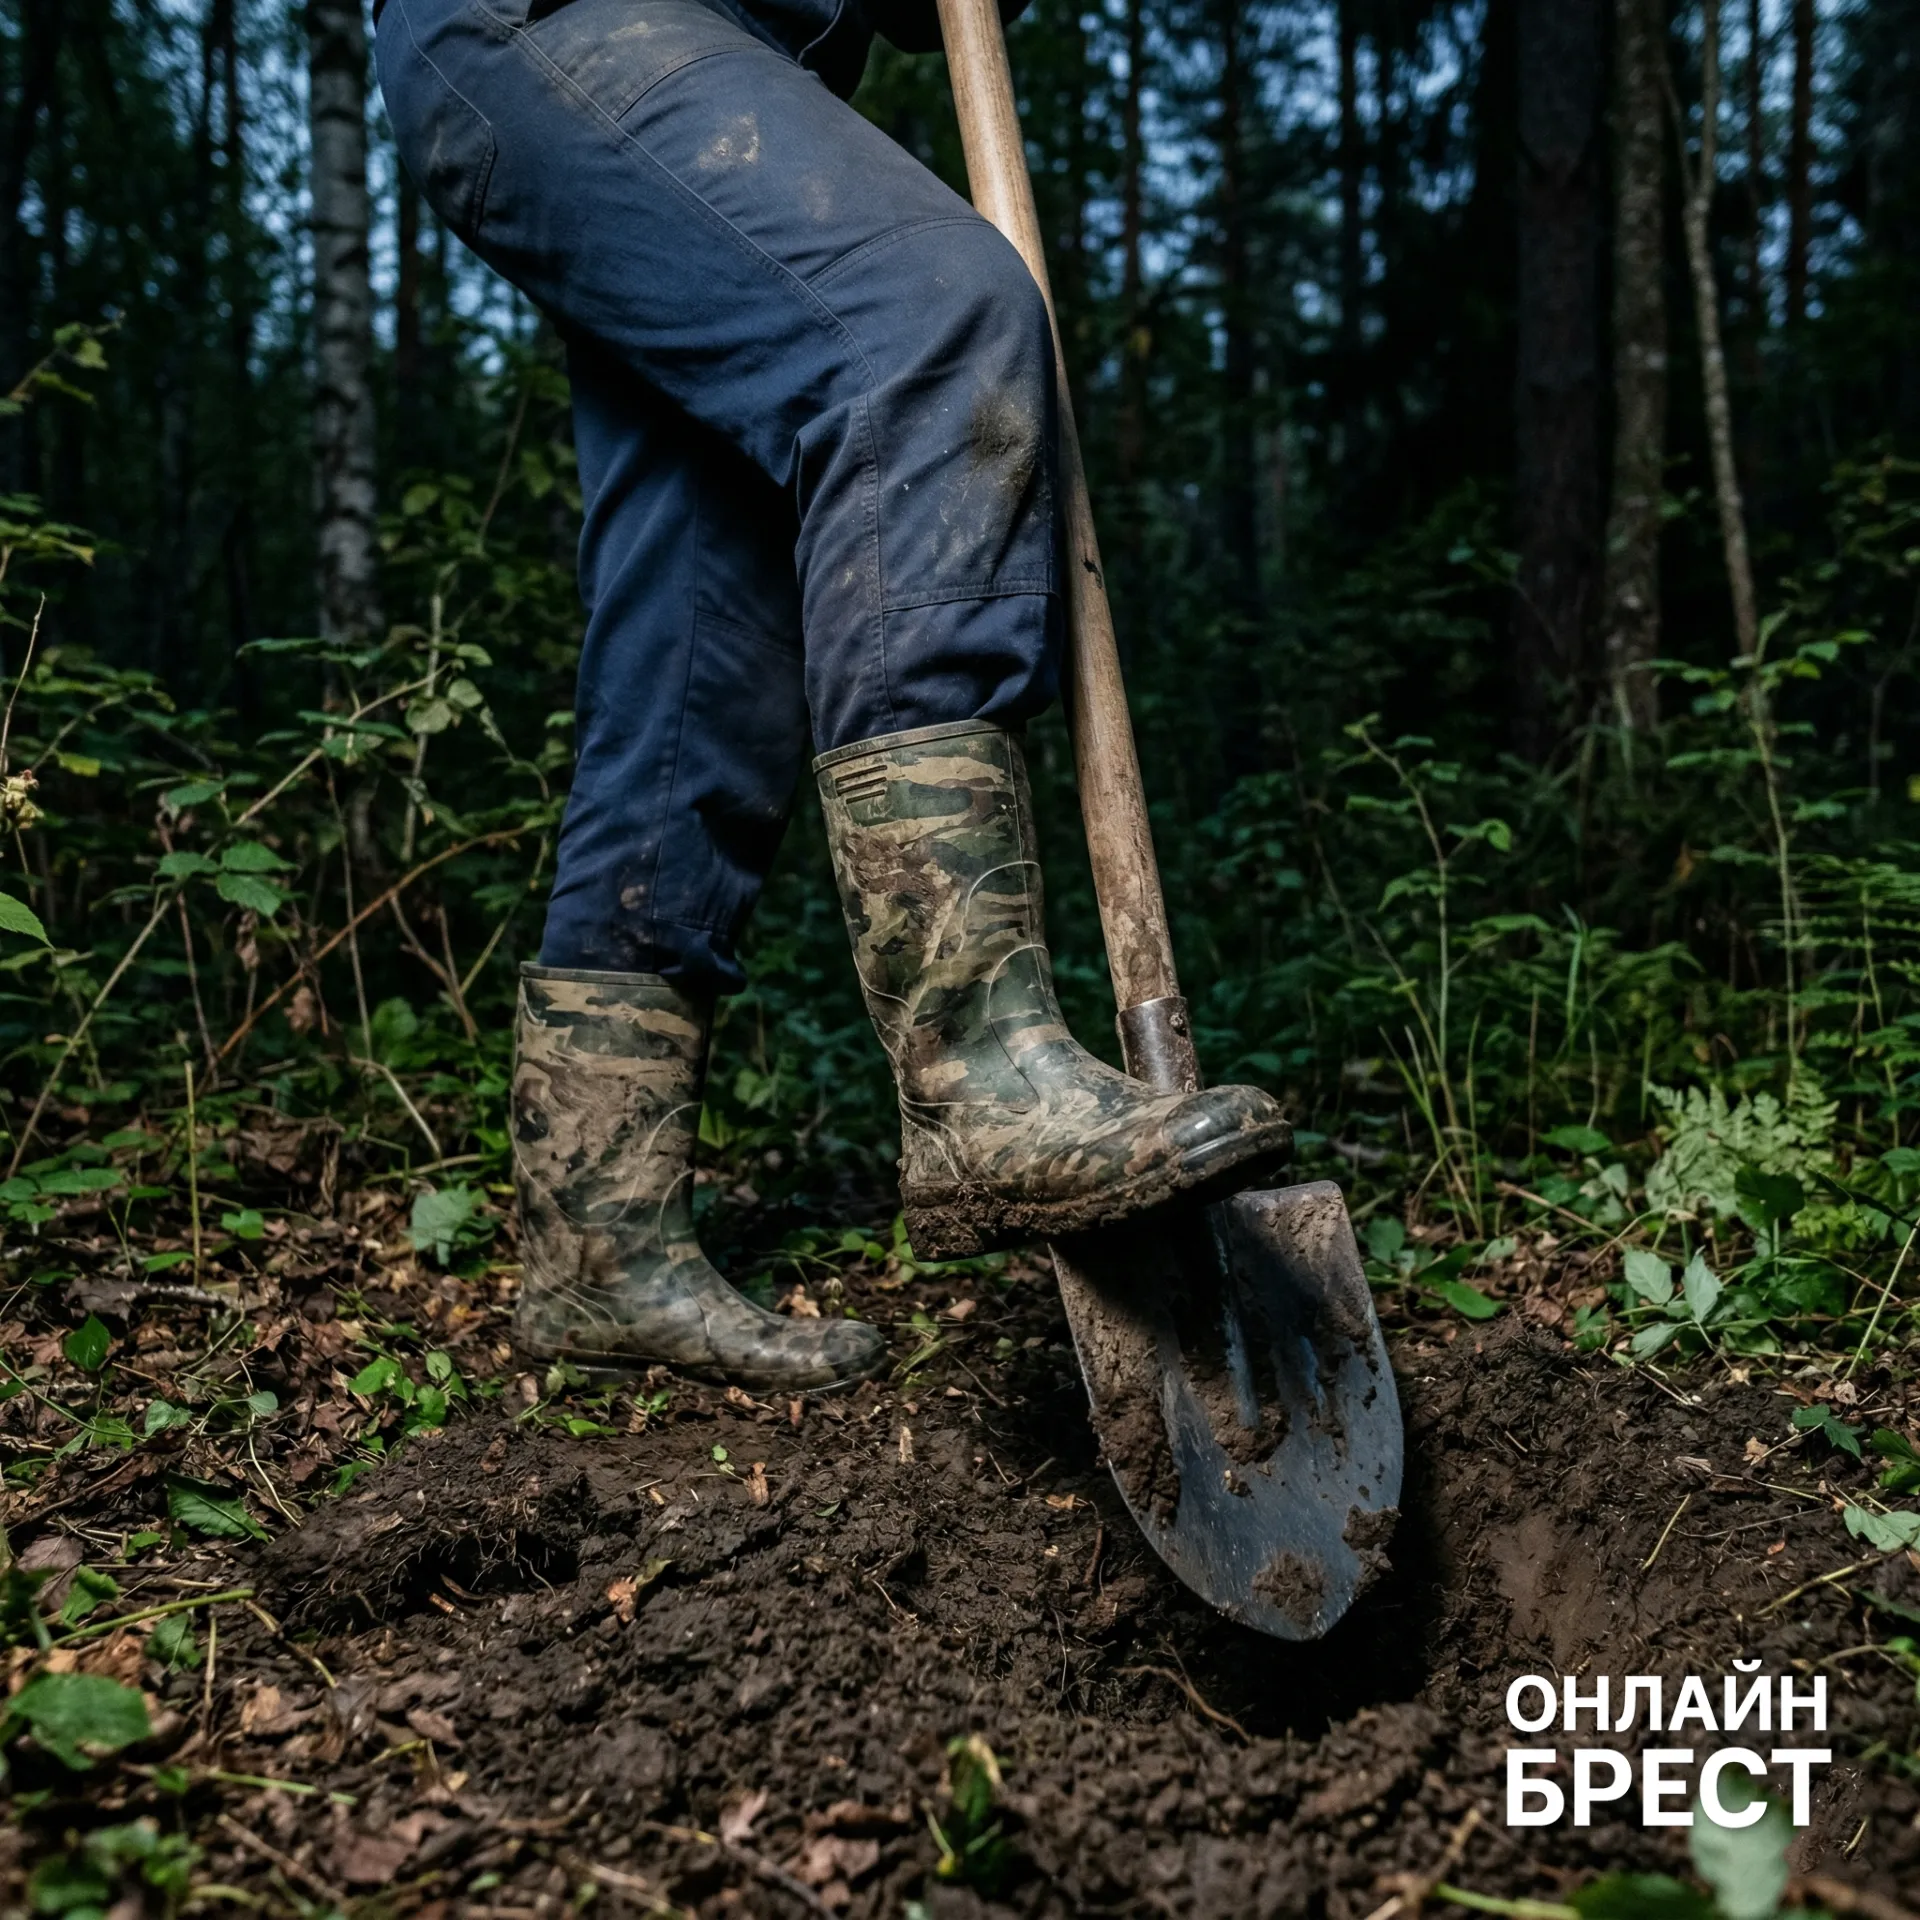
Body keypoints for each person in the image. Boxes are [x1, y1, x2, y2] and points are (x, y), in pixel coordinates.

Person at [375, 0, 1290, 1391]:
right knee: (930, 315)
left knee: (701, 645)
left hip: (686, 42)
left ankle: (599, 1248)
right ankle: (976, 1071)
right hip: (556, 14)